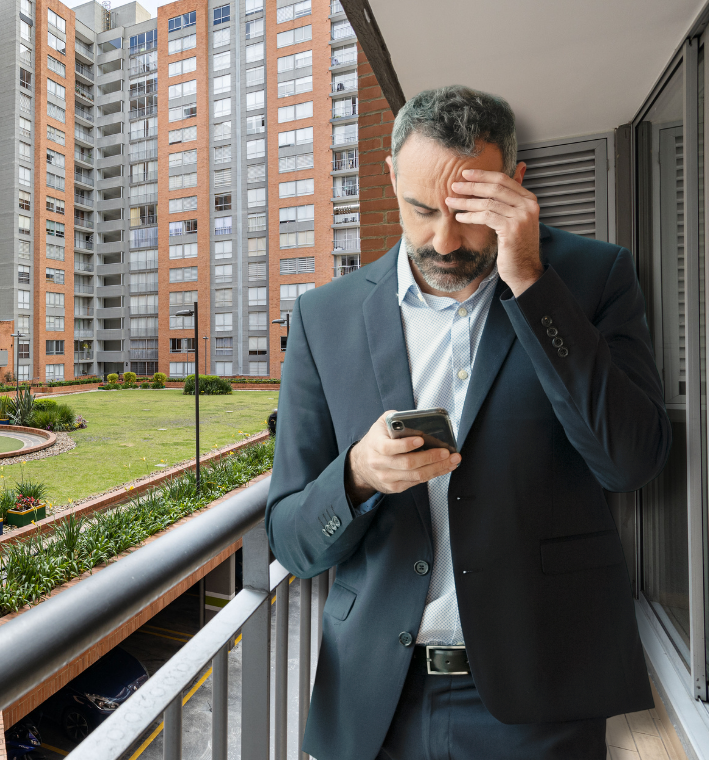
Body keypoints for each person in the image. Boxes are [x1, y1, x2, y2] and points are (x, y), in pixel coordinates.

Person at [266, 85, 671, 760]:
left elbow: (631, 460)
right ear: (391, 178)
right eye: (420, 210)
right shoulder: (323, 318)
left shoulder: (595, 280)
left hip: (542, 701)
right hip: (375, 707)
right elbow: (291, 539)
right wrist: (359, 475)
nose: (443, 241)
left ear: (515, 185)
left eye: (467, 212)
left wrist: (532, 284)